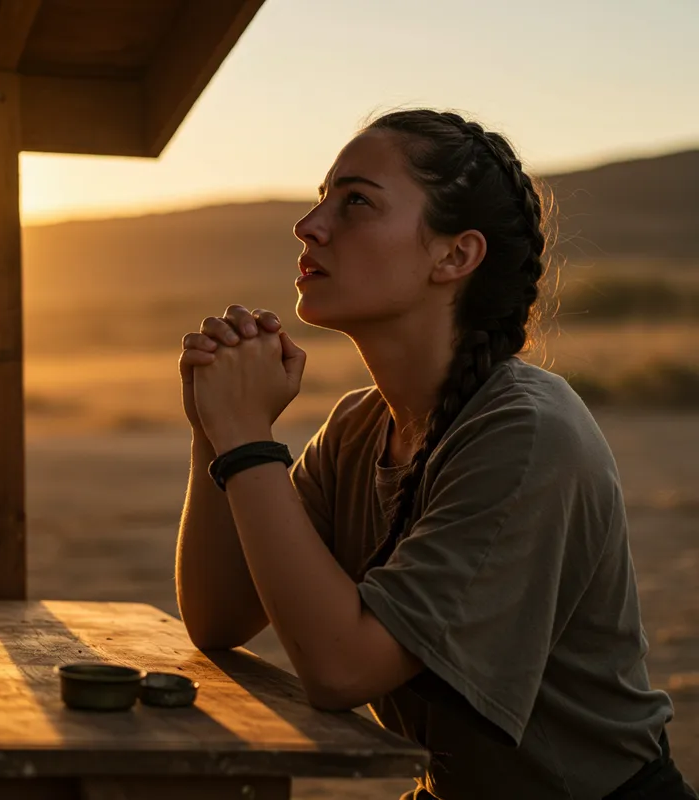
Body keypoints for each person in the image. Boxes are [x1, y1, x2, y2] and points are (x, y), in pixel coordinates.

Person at [175, 108, 697, 799]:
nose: (309, 224)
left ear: (455, 256)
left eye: (355, 201)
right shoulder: (360, 428)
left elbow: (340, 669)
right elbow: (217, 618)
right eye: (322, 195)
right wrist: (214, 428)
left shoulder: (527, 435)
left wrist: (247, 439)